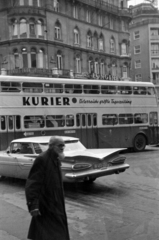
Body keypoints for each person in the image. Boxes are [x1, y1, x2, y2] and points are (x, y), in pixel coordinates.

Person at [25, 136, 70, 240]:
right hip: (45, 204)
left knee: (53, 232)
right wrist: (33, 205)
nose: (62, 147)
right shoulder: (42, 159)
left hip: (56, 202)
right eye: (60, 145)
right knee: (51, 233)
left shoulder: (56, 158)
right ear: (51, 146)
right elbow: (33, 183)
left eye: (63, 145)